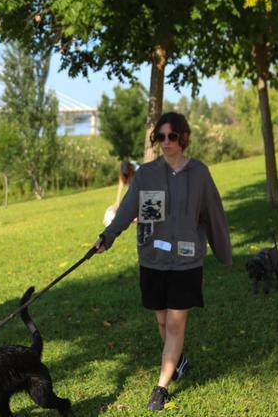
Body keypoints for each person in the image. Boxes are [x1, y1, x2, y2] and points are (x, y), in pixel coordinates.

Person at [93, 112, 232, 412]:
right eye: (160, 137)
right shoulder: (146, 174)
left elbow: (214, 213)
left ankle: (161, 387)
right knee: (161, 320)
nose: (166, 143)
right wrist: (108, 236)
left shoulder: (199, 173)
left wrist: (222, 251)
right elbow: (127, 208)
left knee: (175, 324)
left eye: (172, 136)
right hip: (153, 259)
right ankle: (178, 361)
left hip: (186, 261)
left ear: (183, 138)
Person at [103, 160, 136, 226]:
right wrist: (113, 208)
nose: (126, 177)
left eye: (127, 175)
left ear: (130, 171)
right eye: (124, 175)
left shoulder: (137, 173)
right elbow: (118, 201)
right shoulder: (122, 176)